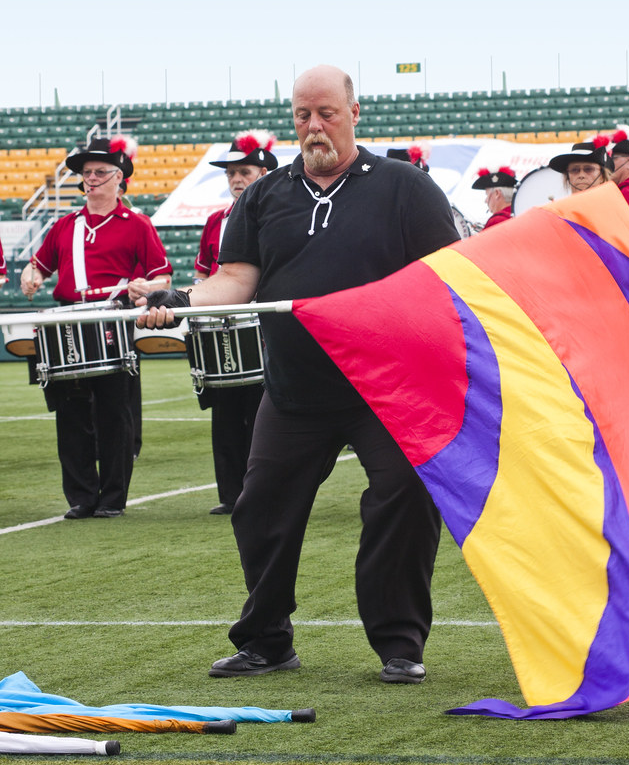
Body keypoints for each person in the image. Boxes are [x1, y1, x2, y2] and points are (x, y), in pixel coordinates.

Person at [138, 64, 459, 684]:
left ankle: (399, 643)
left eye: (327, 114)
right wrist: (177, 298)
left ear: (354, 113)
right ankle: (266, 641)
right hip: (293, 389)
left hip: (385, 389)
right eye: (303, 116)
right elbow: (236, 280)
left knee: (406, 499)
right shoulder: (264, 195)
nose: (315, 127)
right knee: (259, 508)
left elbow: (445, 278)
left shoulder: (405, 188)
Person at [20, 136, 172, 520]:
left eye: (100, 172)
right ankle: (81, 496)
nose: (91, 178)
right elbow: (40, 264)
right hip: (69, 317)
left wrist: (144, 288)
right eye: (86, 173)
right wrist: (31, 273)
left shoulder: (137, 224)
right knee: (69, 412)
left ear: (119, 178)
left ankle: (112, 498)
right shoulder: (65, 225)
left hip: (111, 317)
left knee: (113, 412)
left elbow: (163, 278)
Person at [193, 131, 278, 515]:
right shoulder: (215, 221)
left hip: (263, 326)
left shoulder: (278, 215)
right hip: (219, 327)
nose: (236, 180)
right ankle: (230, 494)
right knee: (224, 411)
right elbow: (203, 276)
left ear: (263, 171)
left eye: (244, 171)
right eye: (230, 174)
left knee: (264, 412)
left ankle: (267, 492)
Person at [548, 136, 614, 193]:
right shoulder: (557, 207)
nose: (581, 175)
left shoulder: (613, 205)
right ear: (568, 177)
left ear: (602, 176)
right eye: (574, 170)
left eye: (588, 169)